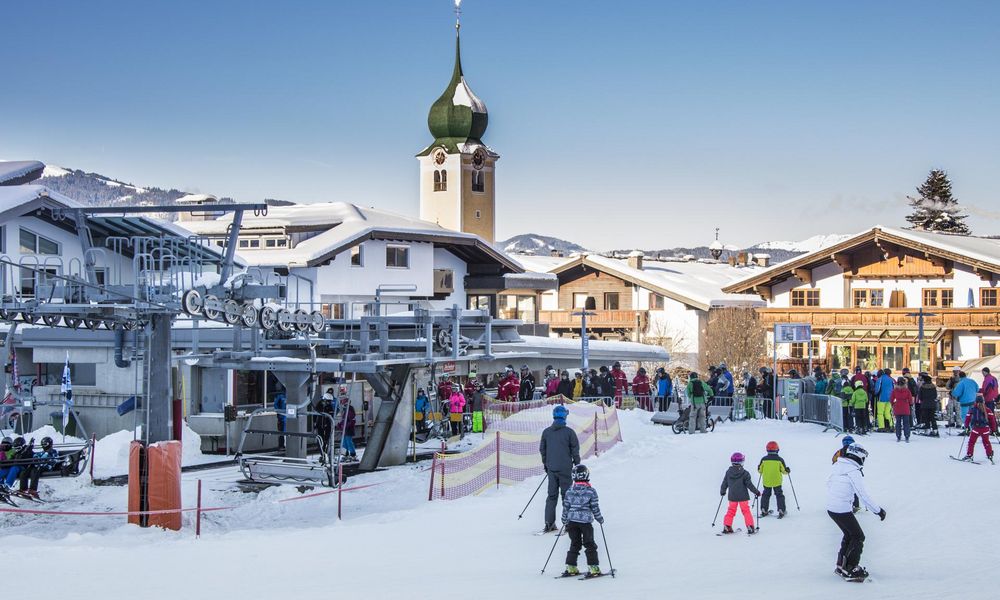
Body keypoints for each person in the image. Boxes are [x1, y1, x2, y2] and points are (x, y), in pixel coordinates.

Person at [827, 443, 885, 581]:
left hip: (832, 508)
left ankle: (841, 565)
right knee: (858, 536)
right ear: (858, 456)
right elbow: (862, 493)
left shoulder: (837, 466)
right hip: (842, 509)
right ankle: (851, 567)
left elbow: (828, 483)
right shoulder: (853, 471)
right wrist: (878, 511)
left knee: (849, 534)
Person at [539, 405, 581, 533]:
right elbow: (575, 449)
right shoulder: (569, 432)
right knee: (566, 495)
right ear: (565, 416)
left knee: (552, 496)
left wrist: (546, 464)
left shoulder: (546, 432)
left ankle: (549, 523)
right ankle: (568, 523)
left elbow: (542, 450)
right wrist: (577, 464)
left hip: (552, 468)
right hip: (565, 468)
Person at [559, 464, 605, 578]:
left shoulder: (569, 491)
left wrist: (564, 519)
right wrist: (599, 518)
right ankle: (593, 567)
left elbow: (566, 507)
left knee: (575, 543)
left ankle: (571, 567)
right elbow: (594, 506)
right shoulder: (591, 491)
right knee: (589, 544)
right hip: (585, 523)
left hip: (572, 523)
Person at [720, 452, 760, 534]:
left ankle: (727, 526)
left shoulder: (728, 472)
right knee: (746, 511)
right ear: (742, 462)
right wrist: (756, 492)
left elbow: (725, 482)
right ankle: (750, 527)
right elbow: (749, 485)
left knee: (731, 511)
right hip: (743, 497)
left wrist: (723, 491)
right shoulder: (745, 473)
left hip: (732, 496)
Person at [757, 441, 789, 519]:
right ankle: (781, 509)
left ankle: (764, 509)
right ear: (777, 449)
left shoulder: (764, 459)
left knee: (766, 495)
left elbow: (760, 471)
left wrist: (759, 467)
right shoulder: (779, 460)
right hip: (776, 481)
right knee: (779, 495)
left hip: (767, 481)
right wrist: (787, 470)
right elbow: (784, 471)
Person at [962, 397, 997, 463]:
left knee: (971, 442)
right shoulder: (988, 410)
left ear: (975, 402)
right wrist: (993, 429)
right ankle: (989, 454)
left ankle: (969, 455)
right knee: (986, 442)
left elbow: (967, 418)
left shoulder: (972, 410)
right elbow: (992, 420)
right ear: (983, 401)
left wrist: (966, 427)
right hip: (985, 429)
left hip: (975, 429)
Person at [890, 376, 914, 443]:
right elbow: (910, 399)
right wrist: (911, 404)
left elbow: (891, 399)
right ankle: (907, 435)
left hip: (897, 407)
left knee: (898, 423)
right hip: (905, 407)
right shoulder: (907, 390)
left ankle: (898, 435)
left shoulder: (895, 390)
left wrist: (892, 404)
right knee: (906, 423)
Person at [337, 395, 357, 460]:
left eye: (343, 404)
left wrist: (344, 425)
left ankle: (352, 454)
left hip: (348, 429)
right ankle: (346, 454)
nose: (342, 405)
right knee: (344, 442)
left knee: (348, 442)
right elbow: (344, 420)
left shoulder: (349, 410)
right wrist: (340, 425)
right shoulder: (346, 410)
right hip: (345, 429)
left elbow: (351, 421)